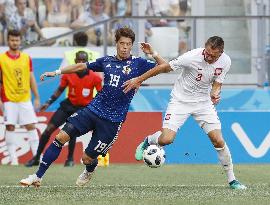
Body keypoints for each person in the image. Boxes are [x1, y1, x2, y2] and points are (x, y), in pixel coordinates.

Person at [20, 27, 165, 187]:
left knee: (86, 159)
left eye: (128, 44)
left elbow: (165, 66)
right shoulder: (106, 61)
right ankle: (37, 176)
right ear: (116, 43)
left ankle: (90, 169)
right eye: (122, 43)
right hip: (92, 110)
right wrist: (56, 72)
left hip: (112, 122)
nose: (125, 47)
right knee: (61, 137)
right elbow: (80, 67)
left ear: (131, 46)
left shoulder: (138, 63)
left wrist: (153, 53)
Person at [122, 36, 247, 190]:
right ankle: (149, 140)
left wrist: (215, 92)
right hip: (180, 101)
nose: (207, 56)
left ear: (220, 53)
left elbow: (217, 83)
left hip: (203, 103)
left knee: (218, 141)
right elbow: (165, 67)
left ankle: (232, 180)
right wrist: (139, 79)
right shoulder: (192, 57)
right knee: (166, 140)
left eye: (212, 55)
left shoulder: (225, 61)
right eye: (206, 52)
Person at [25, 50, 103, 167]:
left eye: (83, 61)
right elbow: (60, 90)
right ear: (75, 61)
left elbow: (101, 94)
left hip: (82, 108)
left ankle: (70, 159)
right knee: (48, 129)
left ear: (87, 62)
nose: (81, 62)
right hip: (68, 105)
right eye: (79, 60)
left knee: (71, 131)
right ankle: (36, 158)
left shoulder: (95, 77)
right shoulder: (68, 74)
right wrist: (49, 102)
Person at [0, 29, 40, 165]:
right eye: (12, 40)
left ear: (20, 41)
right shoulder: (1, 58)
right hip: (8, 99)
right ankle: (13, 160)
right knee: (10, 126)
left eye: (17, 40)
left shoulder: (26, 58)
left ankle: (36, 157)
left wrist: (37, 97)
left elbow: (31, 77)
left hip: (25, 98)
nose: (15, 42)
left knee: (31, 125)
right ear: (8, 41)